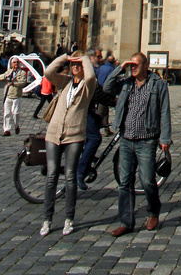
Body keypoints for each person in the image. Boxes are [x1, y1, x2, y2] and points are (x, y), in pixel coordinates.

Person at [104, 52, 172, 236]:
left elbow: (164, 111)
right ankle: (126, 222)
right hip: (126, 139)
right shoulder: (126, 83)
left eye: (136, 64)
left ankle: (153, 211)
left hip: (147, 140)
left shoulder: (158, 84)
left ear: (145, 65)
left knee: (148, 180)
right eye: (131, 65)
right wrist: (121, 67)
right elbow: (107, 88)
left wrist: (165, 138)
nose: (133, 67)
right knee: (125, 182)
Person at [40, 51, 97, 237]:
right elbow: (48, 72)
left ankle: (68, 219)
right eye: (73, 65)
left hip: (74, 136)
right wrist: (65, 58)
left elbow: (90, 75)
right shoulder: (64, 82)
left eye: (78, 65)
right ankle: (47, 219)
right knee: (51, 176)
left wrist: (85, 59)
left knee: (70, 176)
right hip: (54, 133)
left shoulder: (88, 87)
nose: (75, 67)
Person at [76, 48, 105, 191]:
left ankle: (88, 153)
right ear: (90, 58)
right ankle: (80, 172)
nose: (101, 59)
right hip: (80, 112)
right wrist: (115, 101)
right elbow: (97, 92)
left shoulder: (86, 71)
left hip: (85, 109)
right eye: (98, 57)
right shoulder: (86, 72)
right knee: (95, 138)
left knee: (97, 120)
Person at [0, 55, 29, 135]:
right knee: (7, 113)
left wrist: (14, 83)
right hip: (8, 94)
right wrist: (5, 76)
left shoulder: (22, 72)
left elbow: (23, 82)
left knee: (15, 113)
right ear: (11, 64)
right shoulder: (9, 71)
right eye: (14, 62)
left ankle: (16, 125)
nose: (16, 64)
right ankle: (7, 130)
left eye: (17, 62)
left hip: (16, 95)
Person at [97, 53, 116, 134]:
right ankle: (96, 128)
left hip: (99, 90)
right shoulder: (112, 69)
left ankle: (106, 129)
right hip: (106, 92)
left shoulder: (101, 67)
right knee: (101, 112)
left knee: (105, 111)